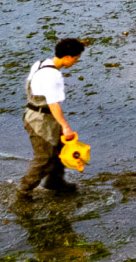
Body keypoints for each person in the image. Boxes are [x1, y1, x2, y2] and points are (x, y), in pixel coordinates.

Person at [18, 37, 86, 199]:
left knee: (61, 148)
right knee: (44, 158)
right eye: (76, 59)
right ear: (67, 57)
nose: (75, 62)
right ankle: (24, 192)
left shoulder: (39, 64)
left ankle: (55, 182)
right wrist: (66, 126)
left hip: (34, 112)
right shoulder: (53, 76)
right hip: (40, 120)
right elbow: (54, 104)